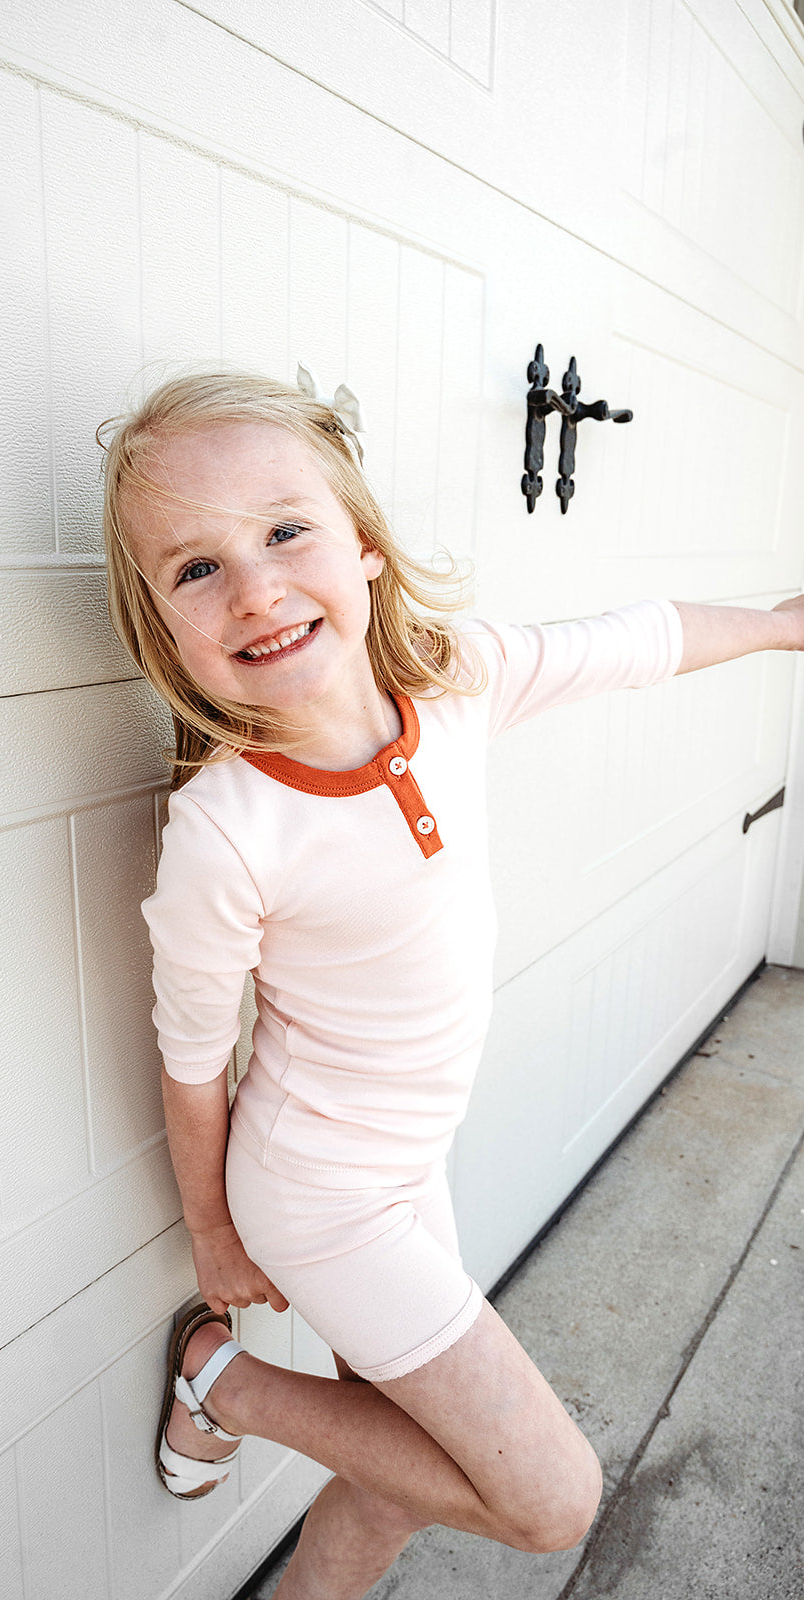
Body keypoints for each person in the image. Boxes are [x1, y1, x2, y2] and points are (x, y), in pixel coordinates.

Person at [98, 368, 804, 1600]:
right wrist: (212, 1232)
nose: (254, 588)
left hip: (407, 1163)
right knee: (546, 1498)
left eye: (284, 531)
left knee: (400, 1473)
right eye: (196, 568)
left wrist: (781, 624)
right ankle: (224, 1382)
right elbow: (192, 1052)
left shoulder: (452, 680)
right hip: (319, 1197)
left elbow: (634, 642)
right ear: (164, 628)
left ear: (364, 546)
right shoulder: (227, 828)